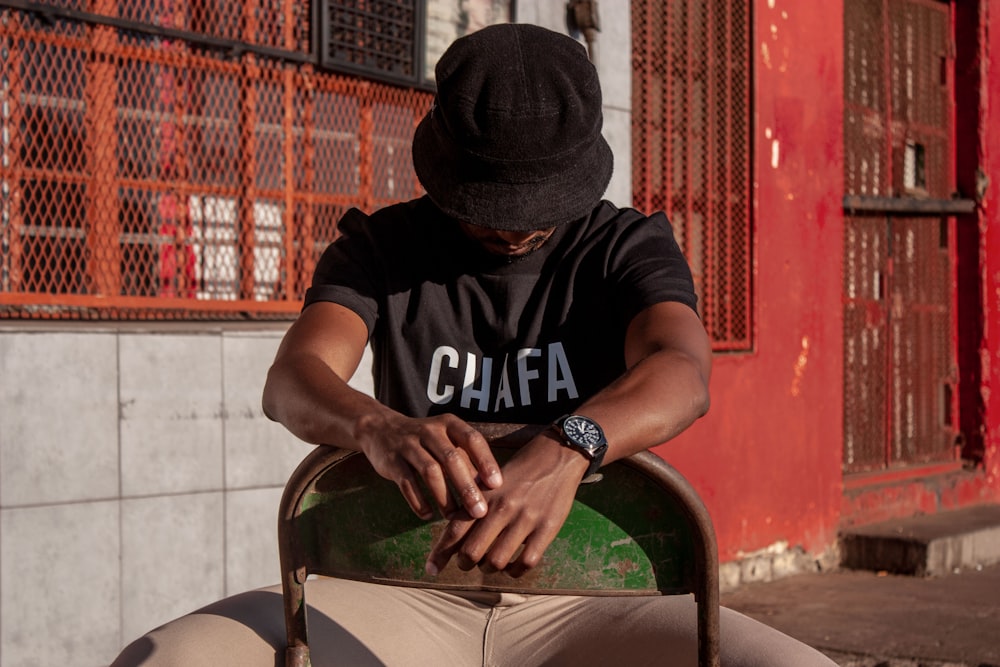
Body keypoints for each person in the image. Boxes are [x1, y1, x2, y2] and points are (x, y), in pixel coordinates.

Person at [112, 23, 836, 667]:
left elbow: (682, 370)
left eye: (537, 207)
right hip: (402, 588)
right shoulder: (381, 246)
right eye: (490, 207)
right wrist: (377, 425)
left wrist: (569, 444)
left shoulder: (624, 243)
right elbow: (293, 378)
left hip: (592, 596)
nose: (515, 229)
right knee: (164, 658)